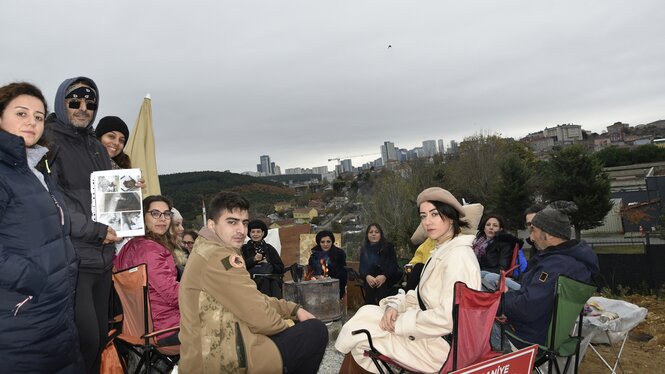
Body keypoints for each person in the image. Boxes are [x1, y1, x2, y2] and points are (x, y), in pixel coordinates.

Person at [178, 191, 328, 373]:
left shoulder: (208, 249)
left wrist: (293, 309)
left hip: (219, 347)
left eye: (245, 223)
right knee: (315, 331)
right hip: (222, 360)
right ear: (212, 224)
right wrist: (288, 323)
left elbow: (253, 298)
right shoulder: (218, 256)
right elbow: (260, 317)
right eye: (232, 222)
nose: (241, 230)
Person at [335, 187, 481, 373]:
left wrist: (400, 322)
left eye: (434, 214)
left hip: (442, 347)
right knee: (366, 313)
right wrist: (395, 306)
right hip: (429, 333)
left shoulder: (458, 258)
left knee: (361, 336)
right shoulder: (442, 251)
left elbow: (449, 318)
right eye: (423, 216)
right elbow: (420, 296)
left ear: (451, 216)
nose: (427, 222)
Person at [0, 82, 84, 372]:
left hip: (55, 313)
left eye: (38, 116)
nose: (31, 122)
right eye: (21, 113)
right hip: (20, 317)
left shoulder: (35, 170)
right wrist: (36, 280)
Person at [43, 76, 116, 373]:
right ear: (62, 102)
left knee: (99, 337)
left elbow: (105, 194)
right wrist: (97, 230)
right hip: (72, 257)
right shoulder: (48, 140)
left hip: (103, 258)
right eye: (75, 102)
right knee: (83, 338)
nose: (83, 108)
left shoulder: (97, 146)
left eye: (90, 103)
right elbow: (54, 200)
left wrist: (126, 188)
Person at [499, 201, 599, 348]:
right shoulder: (574, 262)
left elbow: (526, 308)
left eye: (534, 231)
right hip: (543, 332)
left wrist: (501, 298)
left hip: (526, 338)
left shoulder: (555, 267)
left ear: (550, 235)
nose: (531, 238)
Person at [113, 195, 181, 345]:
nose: (162, 219)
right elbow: (172, 294)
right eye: (155, 213)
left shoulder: (130, 246)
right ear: (142, 217)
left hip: (142, 327)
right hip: (166, 327)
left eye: (167, 214)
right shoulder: (149, 250)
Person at [358, 223, 401, 305]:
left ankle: (384, 311)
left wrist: (384, 276)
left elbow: (393, 266)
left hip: (387, 278)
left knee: (381, 288)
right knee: (370, 287)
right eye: (371, 232)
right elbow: (362, 268)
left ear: (381, 234)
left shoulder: (388, 247)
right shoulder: (364, 249)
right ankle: (370, 311)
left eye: (376, 232)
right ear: (367, 235)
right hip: (370, 279)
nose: (373, 234)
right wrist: (367, 276)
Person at [241, 219, 285, 298]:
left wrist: (268, 262)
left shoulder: (269, 248)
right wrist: (253, 260)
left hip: (270, 278)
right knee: (265, 282)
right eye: (253, 232)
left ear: (263, 233)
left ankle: (276, 307)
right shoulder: (244, 249)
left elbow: (281, 268)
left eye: (258, 232)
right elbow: (240, 267)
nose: (255, 234)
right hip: (252, 280)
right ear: (249, 233)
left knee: (272, 282)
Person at [308, 230, 348, 299]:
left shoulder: (339, 253)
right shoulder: (314, 255)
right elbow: (311, 272)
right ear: (319, 243)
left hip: (334, 286)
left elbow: (342, 272)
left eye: (328, 241)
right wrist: (317, 278)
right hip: (317, 286)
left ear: (332, 242)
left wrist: (329, 278)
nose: (325, 244)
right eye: (322, 242)